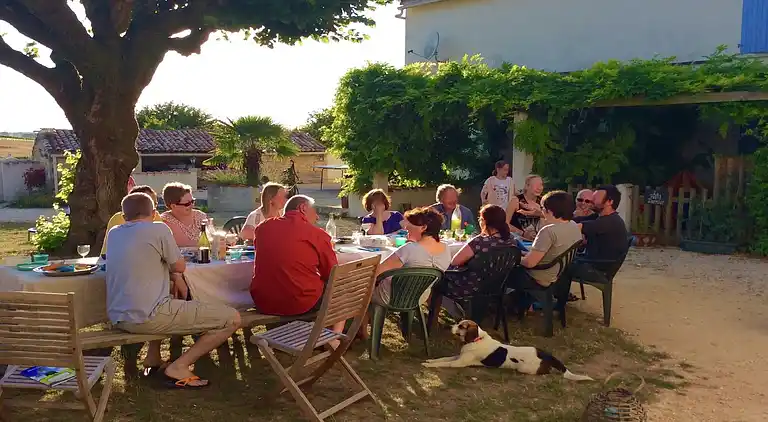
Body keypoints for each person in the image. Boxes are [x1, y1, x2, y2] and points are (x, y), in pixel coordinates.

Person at [106, 193, 240, 388]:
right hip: (148, 317)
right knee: (233, 318)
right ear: (154, 213)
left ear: (124, 216)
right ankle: (179, 366)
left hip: (119, 315)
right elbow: (179, 266)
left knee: (166, 294)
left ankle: (153, 358)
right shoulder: (159, 229)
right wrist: (175, 274)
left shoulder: (115, 232)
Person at [249, 195, 345, 336]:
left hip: (263, 300)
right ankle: (332, 337)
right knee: (343, 287)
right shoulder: (317, 234)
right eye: (315, 211)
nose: (317, 217)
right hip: (299, 302)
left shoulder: (262, 228)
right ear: (303, 208)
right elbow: (331, 273)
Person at [372, 207, 453, 306]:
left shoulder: (409, 249)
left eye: (410, 224)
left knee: (361, 290)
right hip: (419, 298)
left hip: (391, 297)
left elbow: (376, 273)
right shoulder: (446, 248)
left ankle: (364, 320)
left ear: (423, 227)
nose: (406, 228)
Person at [437, 204, 517, 298]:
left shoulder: (479, 242)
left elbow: (455, 261)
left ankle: (435, 311)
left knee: (438, 279)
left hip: (470, 286)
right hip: (497, 286)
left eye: (480, 218)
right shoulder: (511, 240)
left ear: (485, 221)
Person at [508, 190, 582, 289]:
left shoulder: (548, 231)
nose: (540, 211)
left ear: (550, 211)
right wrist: (521, 252)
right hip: (556, 271)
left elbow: (529, 263)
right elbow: (550, 253)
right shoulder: (573, 225)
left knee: (500, 269)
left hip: (539, 276)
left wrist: (512, 256)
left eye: (542, 208)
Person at [574, 185, 629, 272]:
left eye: (596, 198)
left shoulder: (609, 221)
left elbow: (576, 227)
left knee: (561, 265)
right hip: (593, 262)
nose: (592, 200)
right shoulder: (602, 217)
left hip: (596, 268)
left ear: (609, 202)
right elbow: (576, 220)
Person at [100, 185, 163, 257]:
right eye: (149, 203)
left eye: (155, 203)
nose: (153, 207)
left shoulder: (156, 216)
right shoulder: (118, 218)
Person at [161, 182, 208, 247]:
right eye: (187, 204)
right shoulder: (165, 221)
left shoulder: (200, 216)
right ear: (173, 206)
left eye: (192, 201)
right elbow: (186, 243)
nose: (192, 206)